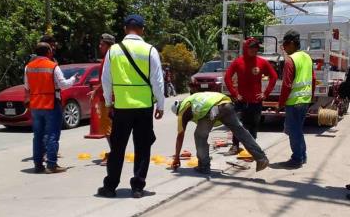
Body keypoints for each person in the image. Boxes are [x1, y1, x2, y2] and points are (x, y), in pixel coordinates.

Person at [98, 14, 165, 198]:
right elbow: (158, 81)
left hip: (121, 107)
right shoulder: (150, 50)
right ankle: (137, 187)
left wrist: (109, 102)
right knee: (142, 147)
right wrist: (160, 105)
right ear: (142, 29)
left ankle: (110, 186)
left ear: (125, 29)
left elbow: (105, 80)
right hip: (144, 107)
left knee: (117, 148)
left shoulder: (113, 51)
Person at [170, 92, 269, 174]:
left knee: (199, 136)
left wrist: (177, 157)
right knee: (240, 131)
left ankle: (204, 166)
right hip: (226, 103)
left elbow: (180, 136)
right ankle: (261, 158)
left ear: (178, 111)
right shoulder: (192, 98)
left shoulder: (182, 111)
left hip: (211, 109)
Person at [24, 42, 77, 173]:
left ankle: (38, 165)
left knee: (38, 136)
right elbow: (63, 84)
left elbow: (27, 86)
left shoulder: (28, 67)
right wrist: (73, 79)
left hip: (35, 104)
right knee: (52, 134)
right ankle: (51, 164)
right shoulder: (53, 66)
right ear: (48, 52)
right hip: (51, 103)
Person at [224, 38, 278, 155]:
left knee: (254, 125)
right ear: (246, 48)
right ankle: (235, 146)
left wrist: (265, 93)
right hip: (241, 100)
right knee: (237, 124)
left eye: (256, 48)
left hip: (256, 101)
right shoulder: (238, 62)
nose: (254, 50)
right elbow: (227, 77)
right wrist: (235, 94)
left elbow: (274, 76)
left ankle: (252, 148)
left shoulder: (262, 62)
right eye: (251, 47)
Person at [277, 30, 316, 169]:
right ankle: (302, 156)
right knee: (298, 130)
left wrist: (280, 104)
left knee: (293, 131)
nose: (285, 47)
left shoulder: (291, 60)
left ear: (292, 44)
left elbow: (286, 84)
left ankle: (296, 159)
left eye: (286, 44)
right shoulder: (307, 57)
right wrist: (310, 97)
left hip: (293, 102)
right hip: (304, 100)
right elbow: (313, 79)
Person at [88, 33, 115, 166]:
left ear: (109, 45)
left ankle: (114, 154)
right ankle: (115, 152)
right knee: (110, 128)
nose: (100, 46)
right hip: (110, 96)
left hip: (107, 98)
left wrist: (97, 91)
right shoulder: (112, 57)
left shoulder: (108, 58)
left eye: (102, 44)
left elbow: (107, 79)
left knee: (107, 128)